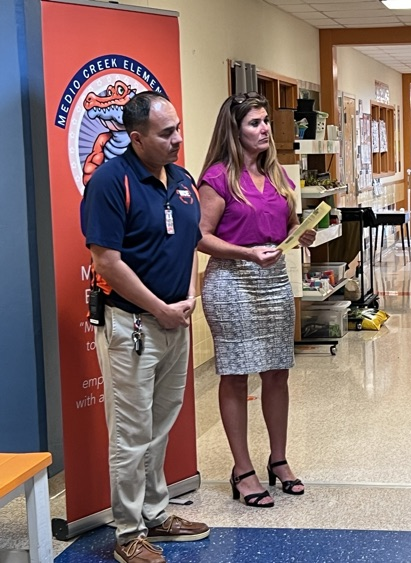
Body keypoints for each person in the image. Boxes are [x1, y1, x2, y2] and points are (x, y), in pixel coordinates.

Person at [81, 91, 210, 563]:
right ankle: (128, 530)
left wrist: (188, 298)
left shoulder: (180, 179)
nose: (178, 139)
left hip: (175, 323)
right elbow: (106, 262)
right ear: (136, 138)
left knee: (160, 426)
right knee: (131, 433)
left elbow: (191, 243)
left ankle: (157, 512)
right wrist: (159, 307)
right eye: (166, 133)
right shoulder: (112, 182)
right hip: (131, 327)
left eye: (177, 128)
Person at [197, 93, 316, 508]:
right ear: (235, 130)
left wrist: (302, 231)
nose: (265, 128)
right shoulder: (217, 178)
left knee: (277, 372)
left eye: (266, 121)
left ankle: (278, 460)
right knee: (235, 374)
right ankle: (242, 469)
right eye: (255, 123)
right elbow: (201, 236)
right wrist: (246, 253)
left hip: (274, 280)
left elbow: (290, 221)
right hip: (232, 282)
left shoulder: (279, 175)